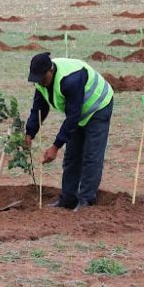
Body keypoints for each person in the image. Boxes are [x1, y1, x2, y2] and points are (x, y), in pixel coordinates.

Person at [25, 52, 114, 211]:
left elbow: (73, 117)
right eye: (36, 79)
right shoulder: (41, 81)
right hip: (78, 113)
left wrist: (55, 146)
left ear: (50, 71)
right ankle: (68, 199)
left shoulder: (70, 80)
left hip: (99, 106)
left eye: (42, 79)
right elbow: (39, 108)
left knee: (91, 156)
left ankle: (86, 201)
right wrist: (29, 133)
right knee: (72, 156)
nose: (39, 83)